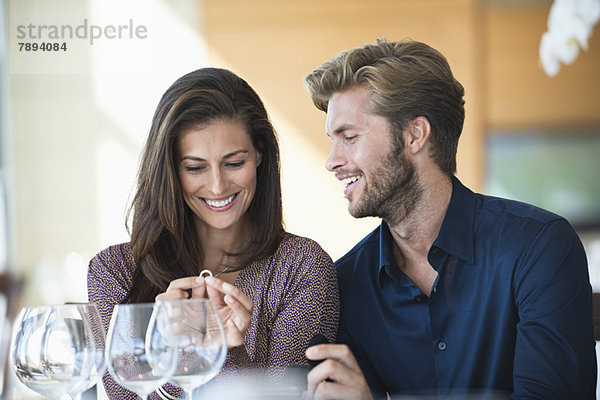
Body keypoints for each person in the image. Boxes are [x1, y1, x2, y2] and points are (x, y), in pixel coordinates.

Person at [302, 38, 596, 399]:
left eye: (348, 137)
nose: (331, 161)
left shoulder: (538, 248)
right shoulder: (343, 287)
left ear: (414, 135)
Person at [88, 67, 339, 399]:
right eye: (195, 168)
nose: (218, 186)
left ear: (260, 154)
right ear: (169, 170)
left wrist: (227, 352)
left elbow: (288, 399)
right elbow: (126, 396)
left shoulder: (303, 268)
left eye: (234, 163)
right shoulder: (115, 271)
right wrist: (177, 348)